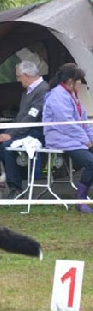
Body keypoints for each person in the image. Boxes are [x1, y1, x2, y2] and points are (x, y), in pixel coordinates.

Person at [0, 60, 49, 198]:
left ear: (26, 75)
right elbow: (20, 118)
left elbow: (30, 119)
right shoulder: (27, 92)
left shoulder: (43, 91)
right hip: (24, 131)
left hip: (36, 132)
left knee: (8, 146)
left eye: (18, 76)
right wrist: (3, 134)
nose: (18, 80)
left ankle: (15, 188)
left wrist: (9, 136)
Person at [43, 63, 93, 213]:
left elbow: (84, 122)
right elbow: (66, 124)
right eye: (79, 81)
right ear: (71, 81)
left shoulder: (73, 95)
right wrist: (86, 140)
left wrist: (91, 137)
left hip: (75, 138)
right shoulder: (57, 96)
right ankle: (80, 199)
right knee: (91, 163)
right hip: (61, 139)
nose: (80, 84)